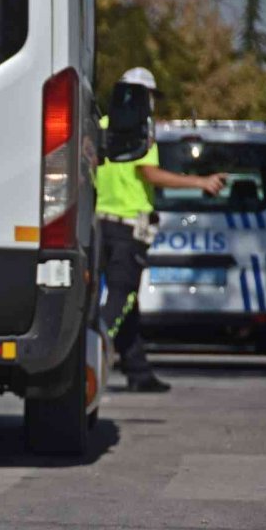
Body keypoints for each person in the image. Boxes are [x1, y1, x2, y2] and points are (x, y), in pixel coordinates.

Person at [97, 67, 227, 393]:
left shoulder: (99, 126)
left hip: (98, 224)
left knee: (127, 303)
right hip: (129, 228)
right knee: (121, 298)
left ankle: (138, 371)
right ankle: (91, 355)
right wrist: (199, 182)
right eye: (151, 96)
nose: (152, 103)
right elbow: (151, 174)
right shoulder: (142, 131)